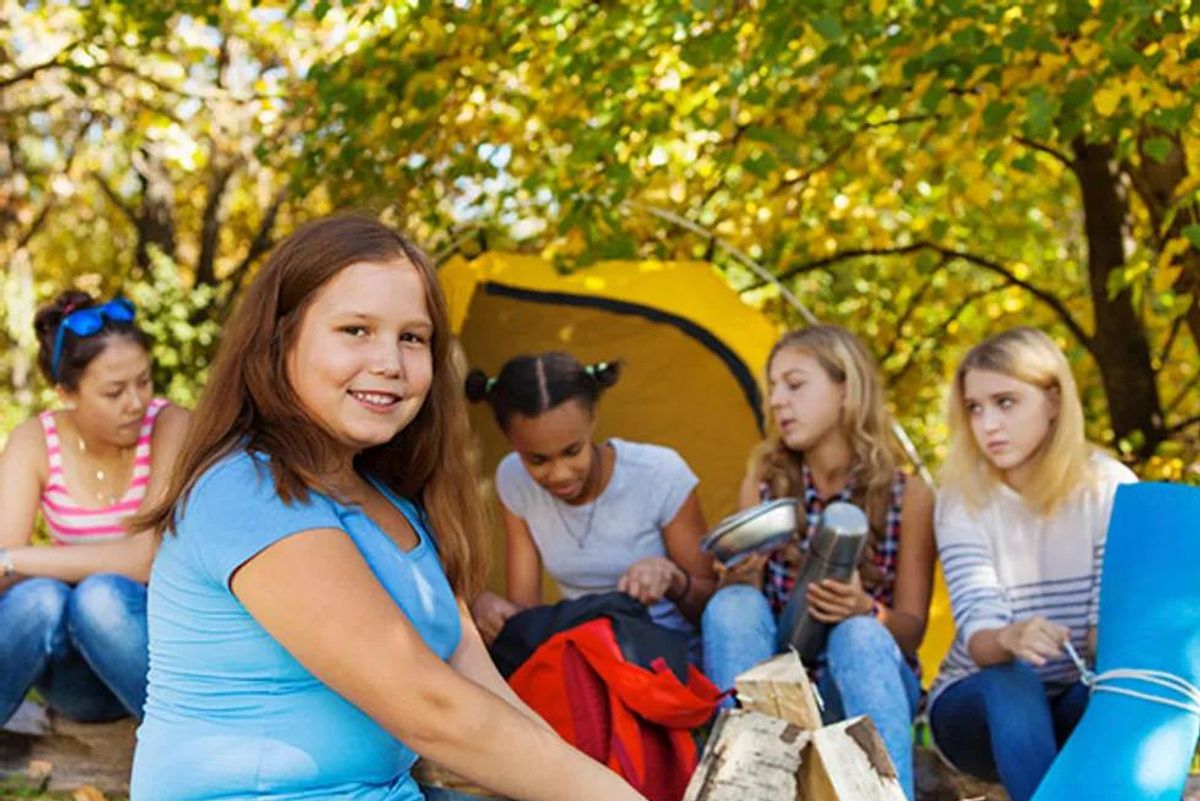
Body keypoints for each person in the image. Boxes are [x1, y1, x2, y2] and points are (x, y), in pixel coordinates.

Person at [128, 215, 649, 801]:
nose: (390, 363)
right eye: (355, 330)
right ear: (280, 339)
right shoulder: (244, 491)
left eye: (412, 337)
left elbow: (486, 694)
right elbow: (432, 710)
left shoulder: (394, 506)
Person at [700, 325, 935, 801]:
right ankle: (742, 792)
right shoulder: (765, 481)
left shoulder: (908, 496)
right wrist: (737, 580)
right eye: (772, 388)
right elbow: (742, 621)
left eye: (795, 384)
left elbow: (911, 632)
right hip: (780, 689)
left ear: (846, 389)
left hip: (865, 683)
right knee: (734, 607)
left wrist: (864, 608)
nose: (777, 401)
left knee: (860, 633)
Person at [927, 327, 1137, 801]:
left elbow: (1109, 637)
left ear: (1054, 401)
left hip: (1072, 704)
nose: (988, 426)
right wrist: (1010, 637)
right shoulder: (963, 498)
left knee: (1124, 686)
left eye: (1005, 402)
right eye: (975, 408)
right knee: (1011, 681)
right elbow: (980, 638)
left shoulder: (1110, 487)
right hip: (975, 711)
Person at [0, 290, 189, 727]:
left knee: (100, 596)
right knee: (38, 599)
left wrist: (14, 560)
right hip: (78, 682)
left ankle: (190, 746)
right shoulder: (35, 441)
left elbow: (147, 558)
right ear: (65, 392)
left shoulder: (171, 425)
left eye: (144, 381)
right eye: (114, 391)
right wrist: (12, 567)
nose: (136, 403)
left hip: (154, 658)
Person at [464, 353, 715, 651]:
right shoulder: (513, 478)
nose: (559, 475)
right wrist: (486, 607)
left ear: (593, 418)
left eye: (572, 451)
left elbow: (712, 606)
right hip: (589, 654)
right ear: (510, 440)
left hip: (669, 657)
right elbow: (527, 616)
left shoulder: (659, 474)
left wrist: (672, 579)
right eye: (537, 460)